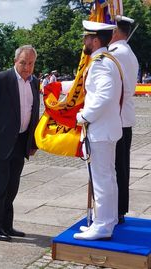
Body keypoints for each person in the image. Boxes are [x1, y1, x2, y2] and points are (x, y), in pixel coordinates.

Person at [0, 45, 40, 242]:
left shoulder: (34, 82)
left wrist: (33, 142)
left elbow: (34, 113)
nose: (26, 67)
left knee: (12, 186)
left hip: (20, 142)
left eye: (30, 63)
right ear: (15, 61)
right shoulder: (0, 79)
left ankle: (6, 225)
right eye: (23, 63)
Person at [74, 21, 123, 240]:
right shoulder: (106, 60)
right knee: (108, 179)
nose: (84, 41)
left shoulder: (101, 63)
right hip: (106, 129)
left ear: (95, 40)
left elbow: (103, 96)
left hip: (101, 130)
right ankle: (107, 220)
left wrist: (83, 116)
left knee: (102, 180)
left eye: (86, 38)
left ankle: (102, 225)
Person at [107, 16, 140, 225]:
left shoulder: (115, 54)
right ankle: (119, 210)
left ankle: (114, 210)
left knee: (114, 167)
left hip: (115, 117)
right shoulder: (128, 52)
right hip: (124, 117)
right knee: (121, 166)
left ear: (117, 32)